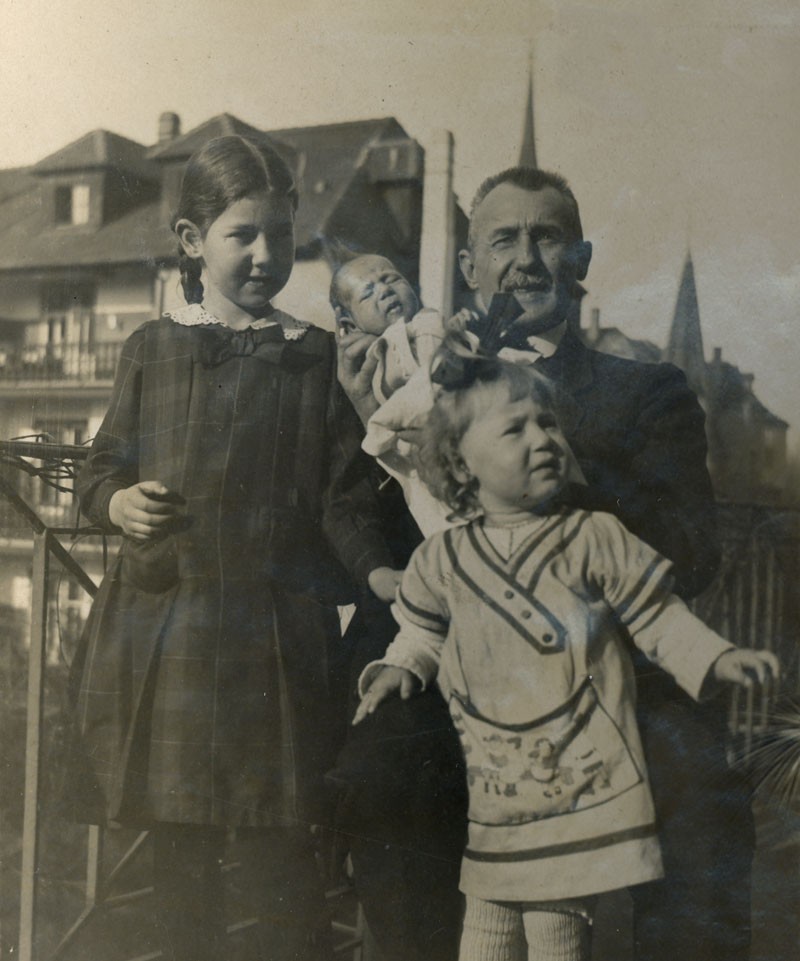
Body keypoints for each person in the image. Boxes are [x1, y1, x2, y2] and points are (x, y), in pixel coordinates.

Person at [337, 166, 750, 961]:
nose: (526, 259)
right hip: (455, 668)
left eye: (547, 238)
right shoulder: (420, 381)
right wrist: (385, 428)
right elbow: (395, 542)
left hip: (597, 674)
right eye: (503, 240)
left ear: (581, 260)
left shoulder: (645, 390)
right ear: (469, 271)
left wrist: (563, 470)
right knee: (382, 763)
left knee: (700, 791)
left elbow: (692, 552)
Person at [66, 135, 399, 961]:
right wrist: (117, 502)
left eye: (280, 237)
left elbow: (342, 500)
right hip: (168, 634)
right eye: (241, 235)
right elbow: (99, 469)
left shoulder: (316, 358)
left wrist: (381, 573)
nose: (263, 255)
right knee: (177, 866)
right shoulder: (153, 348)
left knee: (284, 867)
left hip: (275, 646)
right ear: (191, 241)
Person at [330, 252, 453, 534]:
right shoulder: (369, 358)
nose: (385, 291)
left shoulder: (429, 323)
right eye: (368, 293)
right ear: (348, 325)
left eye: (392, 279)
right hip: (415, 466)